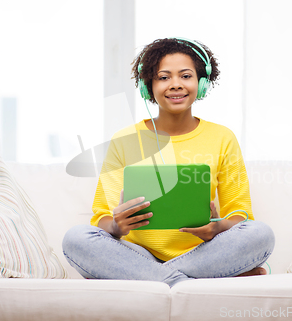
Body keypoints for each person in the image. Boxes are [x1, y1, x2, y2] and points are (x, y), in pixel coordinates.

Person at [62, 38, 275, 287]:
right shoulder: (123, 140)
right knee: (76, 238)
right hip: (136, 255)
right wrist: (118, 227)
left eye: (185, 76)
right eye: (164, 77)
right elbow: (101, 218)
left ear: (202, 83)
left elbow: (240, 215)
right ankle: (186, 281)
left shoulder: (222, 137)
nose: (175, 85)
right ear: (147, 86)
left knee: (261, 234)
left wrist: (217, 228)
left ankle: (151, 278)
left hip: (203, 254)